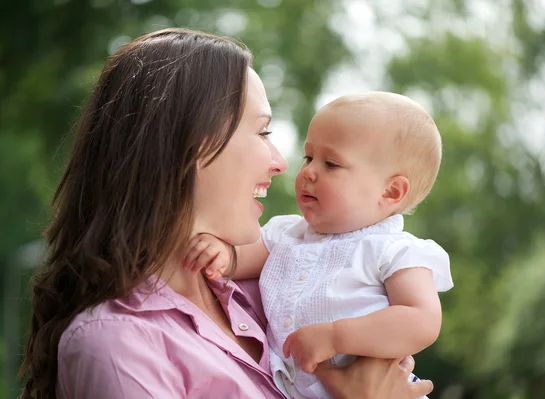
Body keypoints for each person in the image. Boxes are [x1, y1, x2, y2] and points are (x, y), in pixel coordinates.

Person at [18, 28, 434, 399]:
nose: (282, 163)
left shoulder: (268, 290)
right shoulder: (117, 346)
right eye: (263, 131)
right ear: (192, 146)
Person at [183, 92, 453, 398]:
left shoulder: (394, 250)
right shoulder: (288, 233)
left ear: (391, 191)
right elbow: (246, 257)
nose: (309, 171)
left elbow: (422, 320)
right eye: (308, 157)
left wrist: (337, 337)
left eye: (332, 164)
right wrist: (224, 255)